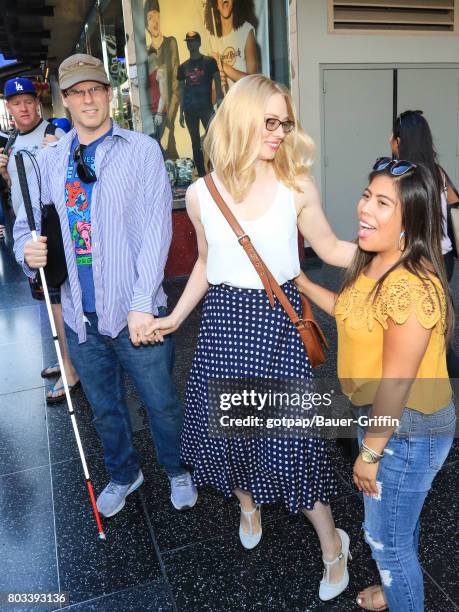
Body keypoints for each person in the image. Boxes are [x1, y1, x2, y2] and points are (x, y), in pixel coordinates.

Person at [147, 75, 356, 601]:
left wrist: (396, 256)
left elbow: (331, 249)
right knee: (228, 438)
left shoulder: (296, 184)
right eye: (270, 121)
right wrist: (174, 319)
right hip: (222, 330)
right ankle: (246, 503)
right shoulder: (201, 194)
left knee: (293, 448)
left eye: (285, 122)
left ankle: (334, 546)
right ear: (240, 117)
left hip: (277, 332)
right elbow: (205, 264)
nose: (280, 132)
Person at [13, 53, 197, 517]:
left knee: (162, 403)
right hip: (80, 315)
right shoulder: (51, 160)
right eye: (77, 92)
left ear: (109, 95)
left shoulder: (141, 150)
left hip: (139, 311)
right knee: (105, 408)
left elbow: (159, 230)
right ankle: (123, 473)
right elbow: (26, 224)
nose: (88, 98)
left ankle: (177, 469)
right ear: (66, 100)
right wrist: (25, 250)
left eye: (96, 88)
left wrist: (141, 305)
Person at [297, 159, 456, 611]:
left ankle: (401, 593)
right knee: (396, 529)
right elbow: (353, 314)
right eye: (368, 194)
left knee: (386, 542)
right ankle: (395, 588)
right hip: (388, 423)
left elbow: (396, 384)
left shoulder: (409, 286)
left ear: (411, 221)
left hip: (406, 430)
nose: (365, 207)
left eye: (383, 202)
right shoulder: (376, 260)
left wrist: (369, 453)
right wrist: (304, 285)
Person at [0, 76, 79, 404]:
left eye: (29, 101)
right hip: (28, 235)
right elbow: (17, 190)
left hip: (54, 232)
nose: (24, 107)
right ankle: (65, 360)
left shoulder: (55, 134)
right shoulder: (10, 142)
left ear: (37, 102)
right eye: (17, 103)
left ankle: (72, 372)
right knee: (50, 303)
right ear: (9, 107)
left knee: (60, 303)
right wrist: (4, 173)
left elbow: (75, 178)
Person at [390, 109, 459, 378]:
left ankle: (426, 368)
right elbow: (455, 205)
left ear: (400, 140)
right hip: (445, 257)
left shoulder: (403, 175)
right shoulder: (438, 173)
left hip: (417, 256)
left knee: (416, 314)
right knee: (437, 309)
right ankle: (445, 361)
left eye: (394, 136)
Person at [177, 31, 222, 177]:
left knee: (213, 141)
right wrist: (181, 112)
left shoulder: (210, 62)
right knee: (195, 144)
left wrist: (220, 101)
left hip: (207, 109)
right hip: (190, 110)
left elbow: (218, 82)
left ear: (199, 42)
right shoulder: (182, 67)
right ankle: (202, 175)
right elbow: (181, 90)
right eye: (188, 41)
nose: (190, 44)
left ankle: (217, 171)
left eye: (193, 41)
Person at [145, 0, 180, 159]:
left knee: (170, 156)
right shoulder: (146, 54)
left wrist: (168, 126)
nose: (155, 21)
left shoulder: (170, 43)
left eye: (157, 16)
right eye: (150, 17)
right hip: (151, 117)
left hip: (166, 114)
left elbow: (176, 85)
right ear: (146, 24)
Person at [204, 0, 258, 92]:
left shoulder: (246, 31)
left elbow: (253, 82)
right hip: (222, 105)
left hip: (242, 102)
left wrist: (222, 65)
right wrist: (216, 86)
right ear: (216, 4)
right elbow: (212, 96)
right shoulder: (210, 38)